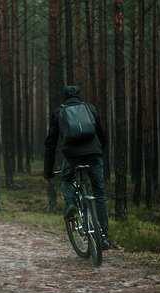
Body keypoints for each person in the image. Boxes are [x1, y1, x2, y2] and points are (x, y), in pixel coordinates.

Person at [43, 85, 112, 250]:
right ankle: (103, 237)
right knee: (100, 195)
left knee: (66, 179)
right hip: (94, 154)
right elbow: (102, 135)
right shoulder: (90, 108)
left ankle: (71, 204)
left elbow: (51, 143)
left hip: (72, 156)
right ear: (79, 96)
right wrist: (99, 153)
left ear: (64, 97)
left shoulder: (59, 112)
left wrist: (48, 170)